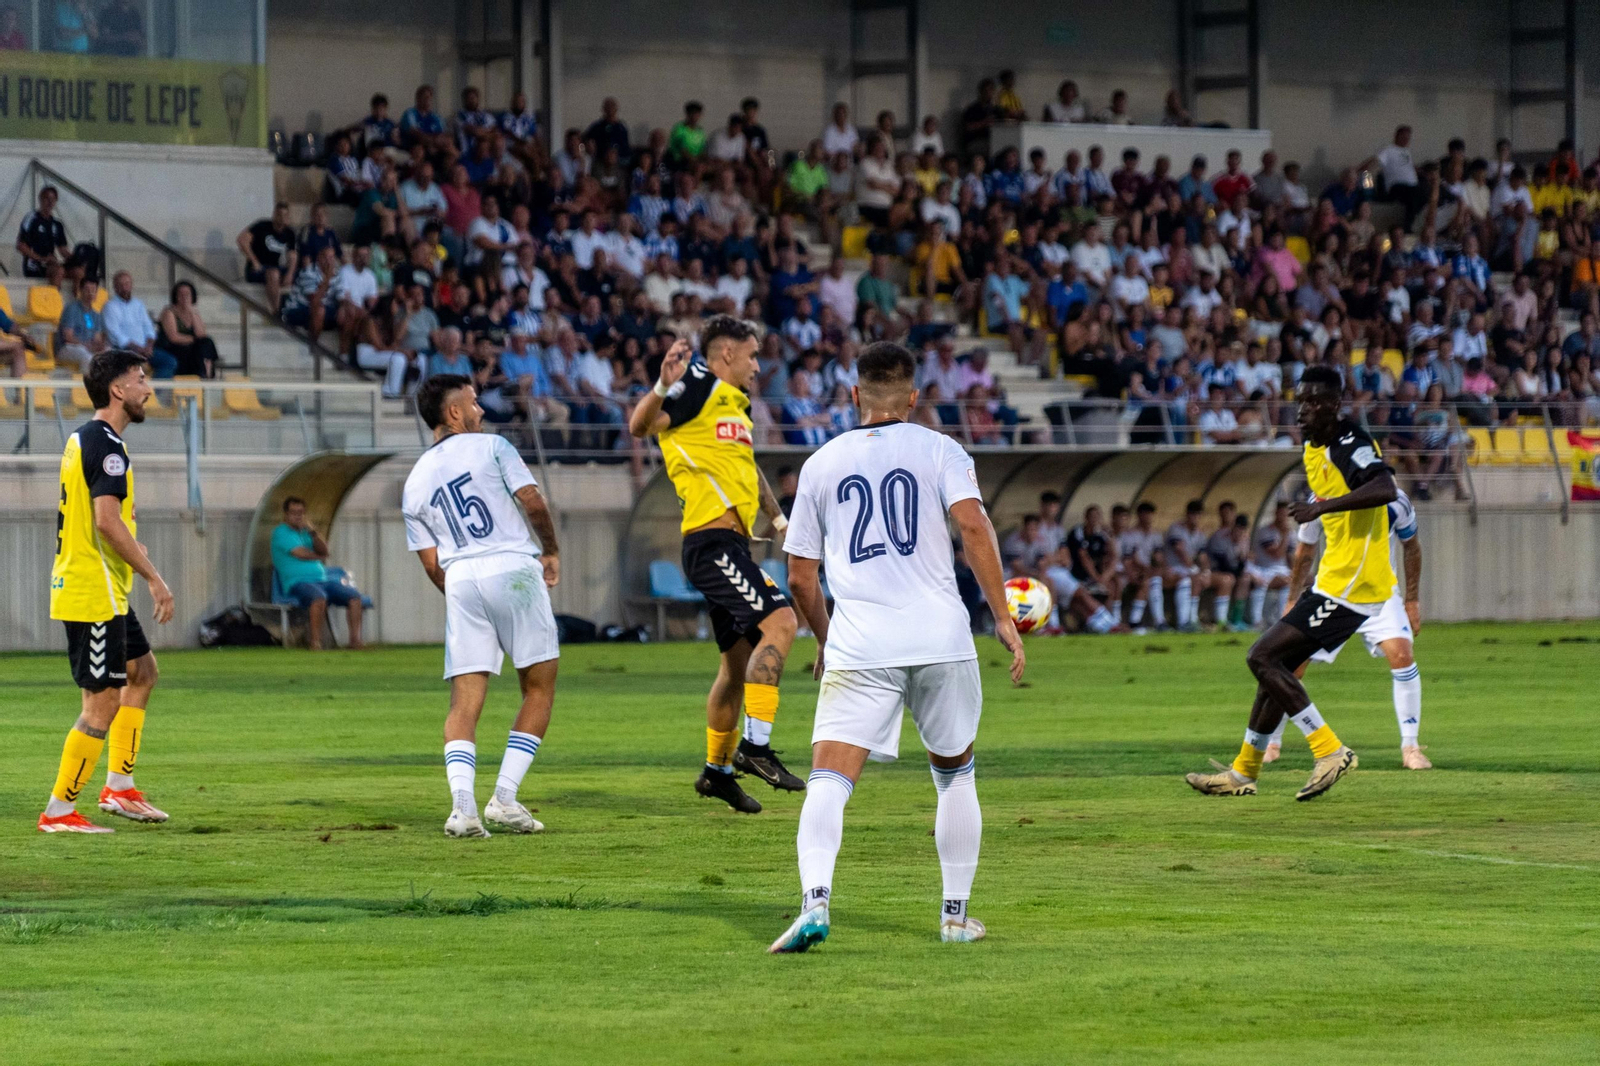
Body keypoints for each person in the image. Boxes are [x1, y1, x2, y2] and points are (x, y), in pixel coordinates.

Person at [768, 340, 1024, 953]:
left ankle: (814, 903)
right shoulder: (942, 450)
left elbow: (801, 576)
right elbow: (973, 527)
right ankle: (956, 917)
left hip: (862, 645)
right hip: (941, 638)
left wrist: (828, 641)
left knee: (829, 779)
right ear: (914, 398)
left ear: (854, 395)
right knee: (955, 776)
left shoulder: (822, 464)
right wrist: (1002, 617)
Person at [1186, 364, 1394, 800]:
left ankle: (1330, 750)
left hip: (1354, 585)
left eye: (1315, 401)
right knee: (1271, 669)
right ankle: (1243, 772)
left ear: (1336, 405)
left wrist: (1322, 509)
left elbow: (1386, 488)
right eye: (1300, 400)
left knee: (1260, 656)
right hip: (1332, 581)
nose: (1304, 409)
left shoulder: (1348, 442)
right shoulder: (1312, 447)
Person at [627, 319, 804, 812]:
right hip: (711, 545)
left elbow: (744, 468)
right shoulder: (696, 387)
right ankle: (756, 747)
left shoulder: (736, 404)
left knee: (734, 667)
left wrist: (779, 518)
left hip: (733, 545)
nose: (757, 366)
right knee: (783, 621)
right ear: (725, 354)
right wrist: (663, 383)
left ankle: (717, 772)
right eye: (751, 356)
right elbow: (640, 427)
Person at [402, 374, 562, 837]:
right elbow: (531, 500)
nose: (482, 411)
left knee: (465, 700)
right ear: (453, 413)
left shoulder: (414, 481)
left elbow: (432, 566)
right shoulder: (492, 447)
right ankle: (505, 800)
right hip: (511, 566)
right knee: (538, 686)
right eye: (474, 402)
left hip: (461, 579)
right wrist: (549, 549)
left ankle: (462, 808)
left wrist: (461, 595)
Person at [39, 350, 176, 833]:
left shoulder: (89, 438)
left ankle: (119, 786)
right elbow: (104, 520)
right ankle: (58, 811)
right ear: (118, 390)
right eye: (140, 379)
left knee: (142, 673)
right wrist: (154, 576)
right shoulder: (107, 445)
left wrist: (127, 546)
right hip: (91, 591)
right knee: (101, 703)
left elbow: (97, 522)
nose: (147, 388)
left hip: (102, 588)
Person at [1265, 489, 1429, 769]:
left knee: (1403, 656)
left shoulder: (1394, 499)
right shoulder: (1321, 501)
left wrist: (1412, 600)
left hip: (1379, 592)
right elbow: (1305, 550)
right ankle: (1271, 742)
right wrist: (1293, 599)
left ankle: (1411, 748)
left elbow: (1411, 546)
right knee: (1292, 663)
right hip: (1333, 593)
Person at [270, 497, 368, 652]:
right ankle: (315, 643)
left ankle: (355, 641)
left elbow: (324, 551)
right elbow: (300, 553)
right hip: (297, 581)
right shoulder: (281, 532)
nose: (298, 516)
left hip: (322, 579)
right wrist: (318, 557)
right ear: (286, 514)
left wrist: (313, 532)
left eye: (301, 513)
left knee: (355, 597)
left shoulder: (306, 533)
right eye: (294, 513)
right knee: (318, 598)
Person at [237, 203, 298, 312]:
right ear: (274, 214)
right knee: (273, 274)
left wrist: (290, 274)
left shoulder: (289, 233)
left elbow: (292, 256)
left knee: (299, 274)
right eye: (279, 214)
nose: (282, 218)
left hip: (275, 267)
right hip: (257, 269)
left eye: (285, 215)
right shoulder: (262, 226)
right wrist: (254, 262)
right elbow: (242, 240)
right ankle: (276, 313)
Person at [157, 281, 220, 378]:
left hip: (191, 348)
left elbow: (201, 335)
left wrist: (192, 312)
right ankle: (205, 373)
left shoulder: (194, 312)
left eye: (187, 294)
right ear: (176, 296)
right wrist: (194, 340)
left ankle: (207, 372)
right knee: (199, 349)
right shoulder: (169, 312)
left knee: (207, 342)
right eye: (181, 294)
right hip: (174, 348)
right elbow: (173, 337)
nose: (184, 297)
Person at [15, 185, 71, 279]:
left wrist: (77, 259)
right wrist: (42, 259)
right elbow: (20, 245)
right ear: (40, 199)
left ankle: (80, 293)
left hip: (50, 264)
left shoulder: (57, 224)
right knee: (58, 271)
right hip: (34, 266)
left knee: (78, 272)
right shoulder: (31, 218)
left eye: (53, 199)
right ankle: (53, 293)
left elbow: (62, 249)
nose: (50, 202)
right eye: (47, 198)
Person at [55, 277, 109, 370]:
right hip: (68, 348)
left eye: (93, 290)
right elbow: (68, 337)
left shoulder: (96, 315)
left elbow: (97, 338)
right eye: (87, 290)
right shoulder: (71, 309)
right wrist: (85, 345)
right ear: (80, 290)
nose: (90, 293)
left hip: (88, 348)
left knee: (109, 354)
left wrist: (100, 346)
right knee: (87, 357)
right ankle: (88, 383)